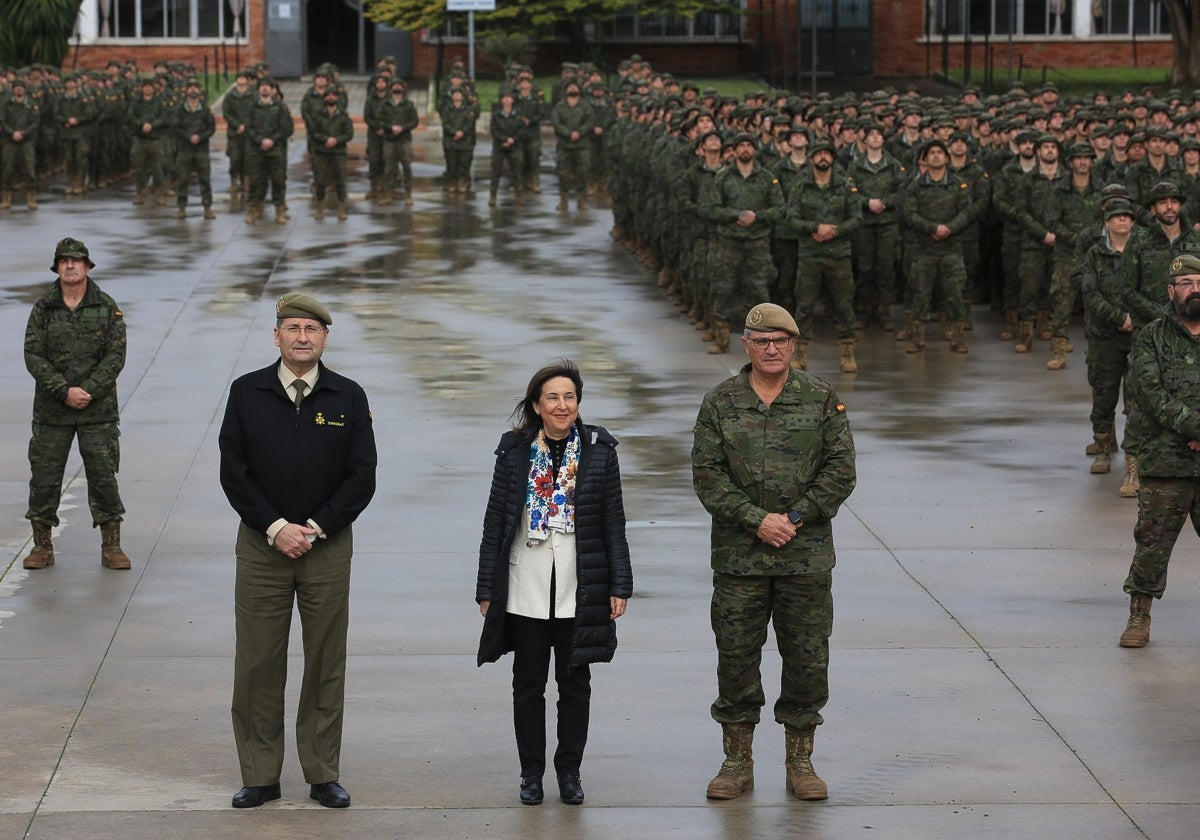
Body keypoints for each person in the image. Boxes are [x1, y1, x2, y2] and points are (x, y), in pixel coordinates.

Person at [218, 292, 377, 809]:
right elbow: (233, 473)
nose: (302, 337)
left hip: (326, 547)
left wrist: (315, 526)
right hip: (262, 547)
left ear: (325, 338)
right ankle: (260, 775)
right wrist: (275, 526)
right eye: (293, 328)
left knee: (326, 661)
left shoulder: (347, 396)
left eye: (312, 328)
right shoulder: (246, 392)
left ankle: (322, 772)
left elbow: (362, 476)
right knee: (258, 661)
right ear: (277, 336)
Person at [692, 303, 856, 802]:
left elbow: (840, 471)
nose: (771, 349)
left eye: (780, 341)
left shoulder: (821, 398)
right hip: (740, 560)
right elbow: (707, 476)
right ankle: (737, 761)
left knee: (807, 658)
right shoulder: (721, 402)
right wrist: (755, 519)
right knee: (736, 658)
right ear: (746, 344)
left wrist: (795, 518)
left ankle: (800, 761)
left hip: (804, 559)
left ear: (793, 345)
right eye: (761, 341)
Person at [475, 360, 633, 807]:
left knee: (574, 685)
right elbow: (495, 525)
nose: (562, 405)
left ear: (578, 402)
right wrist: (487, 588)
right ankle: (530, 773)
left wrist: (619, 584)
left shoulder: (600, 450)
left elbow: (613, 524)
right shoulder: (513, 452)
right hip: (525, 585)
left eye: (569, 397)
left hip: (578, 589)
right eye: (552, 398)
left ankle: (569, 772)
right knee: (527, 685)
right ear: (536, 405)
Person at [22, 238, 129, 571]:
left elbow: (116, 355)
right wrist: (63, 390)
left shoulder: (106, 306)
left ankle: (112, 547)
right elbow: (33, 355)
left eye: (77, 260)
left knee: (103, 476)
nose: (70, 265)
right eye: (64, 261)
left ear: (87, 267)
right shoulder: (43, 309)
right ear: (57, 267)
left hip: (96, 412)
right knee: (44, 477)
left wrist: (89, 390)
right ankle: (41, 546)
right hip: (53, 412)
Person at [1118, 253, 1200, 648]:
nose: (1195, 289)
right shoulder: (1152, 335)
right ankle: (1139, 617)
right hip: (1168, 459)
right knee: (1152, 543)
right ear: (1171, 291)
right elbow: (1151, 395)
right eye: (1186, 283)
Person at [173, 78, 216, 220]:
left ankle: (207, 208)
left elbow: (211, 128)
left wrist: (200, 137)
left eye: (195, 88)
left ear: (200, 91)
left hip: (201, 150)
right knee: (182, 179)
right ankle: (181, 208)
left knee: (204, 179)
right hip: (185, 150)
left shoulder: (205, 110)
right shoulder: (180, 110)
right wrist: (188, 136)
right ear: (186, 91)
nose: (193, 90)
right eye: (190, 87)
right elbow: (176, 127)